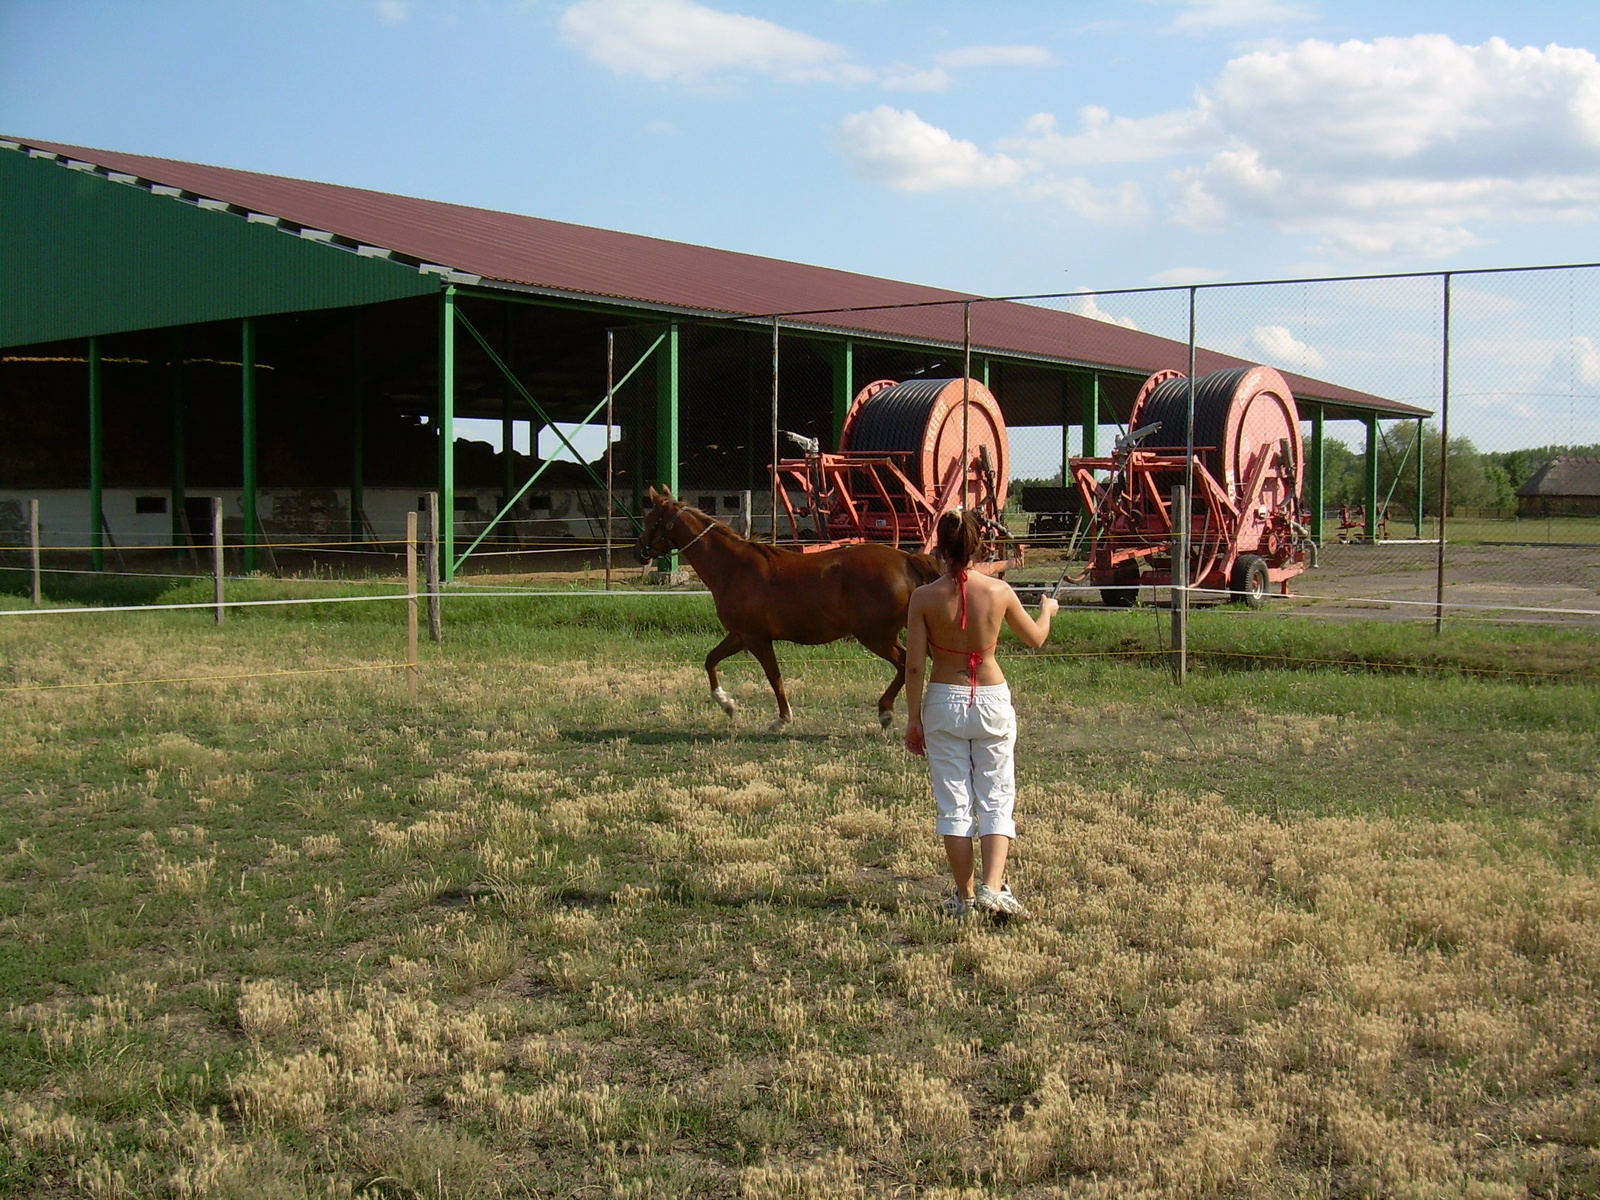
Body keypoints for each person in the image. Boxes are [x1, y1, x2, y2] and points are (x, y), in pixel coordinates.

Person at [903, 510, 1057, 918]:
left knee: (953, 804)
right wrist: (1048, 610)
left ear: (940, 548)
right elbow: (1036, 638)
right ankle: (993, 887)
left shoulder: (923, 598)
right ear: (978, 548)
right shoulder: (1000, 591)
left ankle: (966, 898)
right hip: (989, 697)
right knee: (996, 797)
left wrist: (913, 717)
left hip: (942, 700)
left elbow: (914, 665)